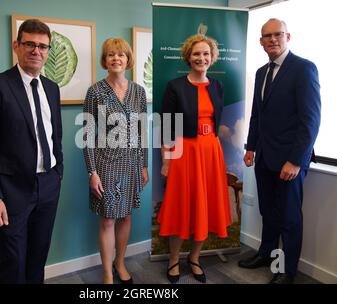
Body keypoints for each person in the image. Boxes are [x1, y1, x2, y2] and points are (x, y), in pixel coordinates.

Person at [0, 19, 63, 284]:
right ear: (17, 46)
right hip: (11, 191)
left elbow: (54, 135)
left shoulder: (51, 88)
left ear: (48, 51)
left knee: (38, 256)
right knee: (13, 262)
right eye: (30, 44)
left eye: (43, 46)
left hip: (48, 185)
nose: (37, 51)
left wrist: (58, 174)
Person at [238, 18, 321, 284]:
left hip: (289, 162)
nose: (272, 39)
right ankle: (267, 255)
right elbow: (257, 117)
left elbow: (310, 121)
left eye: (277, 34)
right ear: (261, 42)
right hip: (264, 157)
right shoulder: (262, 72)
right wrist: (250, 147)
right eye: (267, 36)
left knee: (289, 217)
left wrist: (296, 161)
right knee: (269, 213)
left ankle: (287, 270)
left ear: (288, 37)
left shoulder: (304, 69)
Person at [157, 34, 231, 284]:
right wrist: (166, 160)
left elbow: (217, 122)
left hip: (211, 152)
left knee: (205, 205)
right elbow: (166, 127)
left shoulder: (218, 86)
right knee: (181, 207)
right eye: (197, 54)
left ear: (212, 58)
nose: (201, 58)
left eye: (206, 54)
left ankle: (195, 258)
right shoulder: (175, 86)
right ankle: (174, 259)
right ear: (188, 57)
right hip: (184, 152)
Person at [82, 37, 149, 284]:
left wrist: (144, 165)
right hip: (106, 164)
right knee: (108, 218)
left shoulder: (138, 92)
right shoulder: (95, 92)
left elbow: (142, 131)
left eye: (120, 54)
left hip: (132, 164)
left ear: (128, 59)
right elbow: (87, 136)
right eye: (111, 55)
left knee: (126, 216)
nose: (116, 59)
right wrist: (92, 173)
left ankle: (120, 263)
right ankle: (107, 273)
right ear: (105, 60)